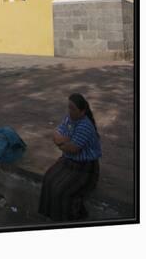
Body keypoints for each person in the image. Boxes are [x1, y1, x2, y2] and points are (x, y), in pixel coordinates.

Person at [38, 93, 102, 222]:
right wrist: (65, 141)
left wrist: (61, 142)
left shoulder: (85, 126)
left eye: (73, 108)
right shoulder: (69, 119)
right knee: (48, 179)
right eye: (69, 107)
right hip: (68, 161)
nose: (69, 111)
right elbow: (56, 133)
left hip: (85, 168)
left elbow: (72, 149)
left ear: (82, 111)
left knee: (62, 189)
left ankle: (69, 219)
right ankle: (51, 215)